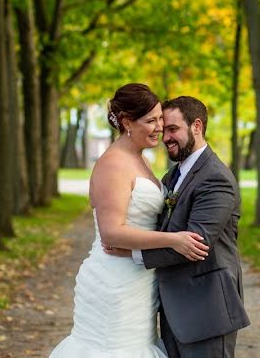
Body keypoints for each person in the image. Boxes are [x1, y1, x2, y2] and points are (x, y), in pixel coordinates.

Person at [49, 83, 208, 358]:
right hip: (114, 281)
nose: (159, 127)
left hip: (139, 279)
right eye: (151, 121)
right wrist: (173, 240)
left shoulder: (139, 159)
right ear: (126, 122)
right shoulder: (113, 164)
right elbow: (111, 233)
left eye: (160, 118)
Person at [107, 96, 250, 358]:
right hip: (174, 307)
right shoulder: (173, 175)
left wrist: (131, 253)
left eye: (173, 129)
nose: (165, 138)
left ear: (197, 126)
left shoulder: (216, 178)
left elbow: (196, 243)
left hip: (207, 307)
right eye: (163, 130)